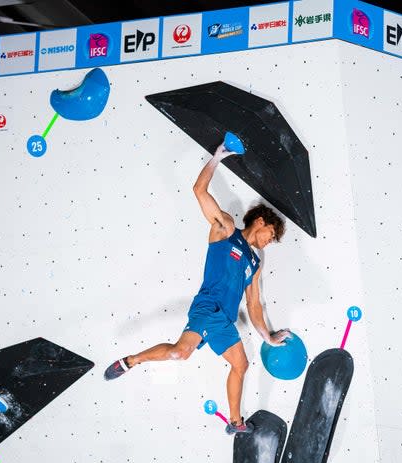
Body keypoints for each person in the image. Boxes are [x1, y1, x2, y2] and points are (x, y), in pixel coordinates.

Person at [104, 142, 290, 435]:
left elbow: (254, 305)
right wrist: (217, 157)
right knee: (181, 354)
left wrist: (268, 336)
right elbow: (199, 192)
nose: (271, 240)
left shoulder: (255, 262)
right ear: (261, 221)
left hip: (224, 321)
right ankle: (131, 361)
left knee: (240, 365)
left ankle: (235, 423)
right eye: (272, 234)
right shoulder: (226, 229)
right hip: (207, 308)